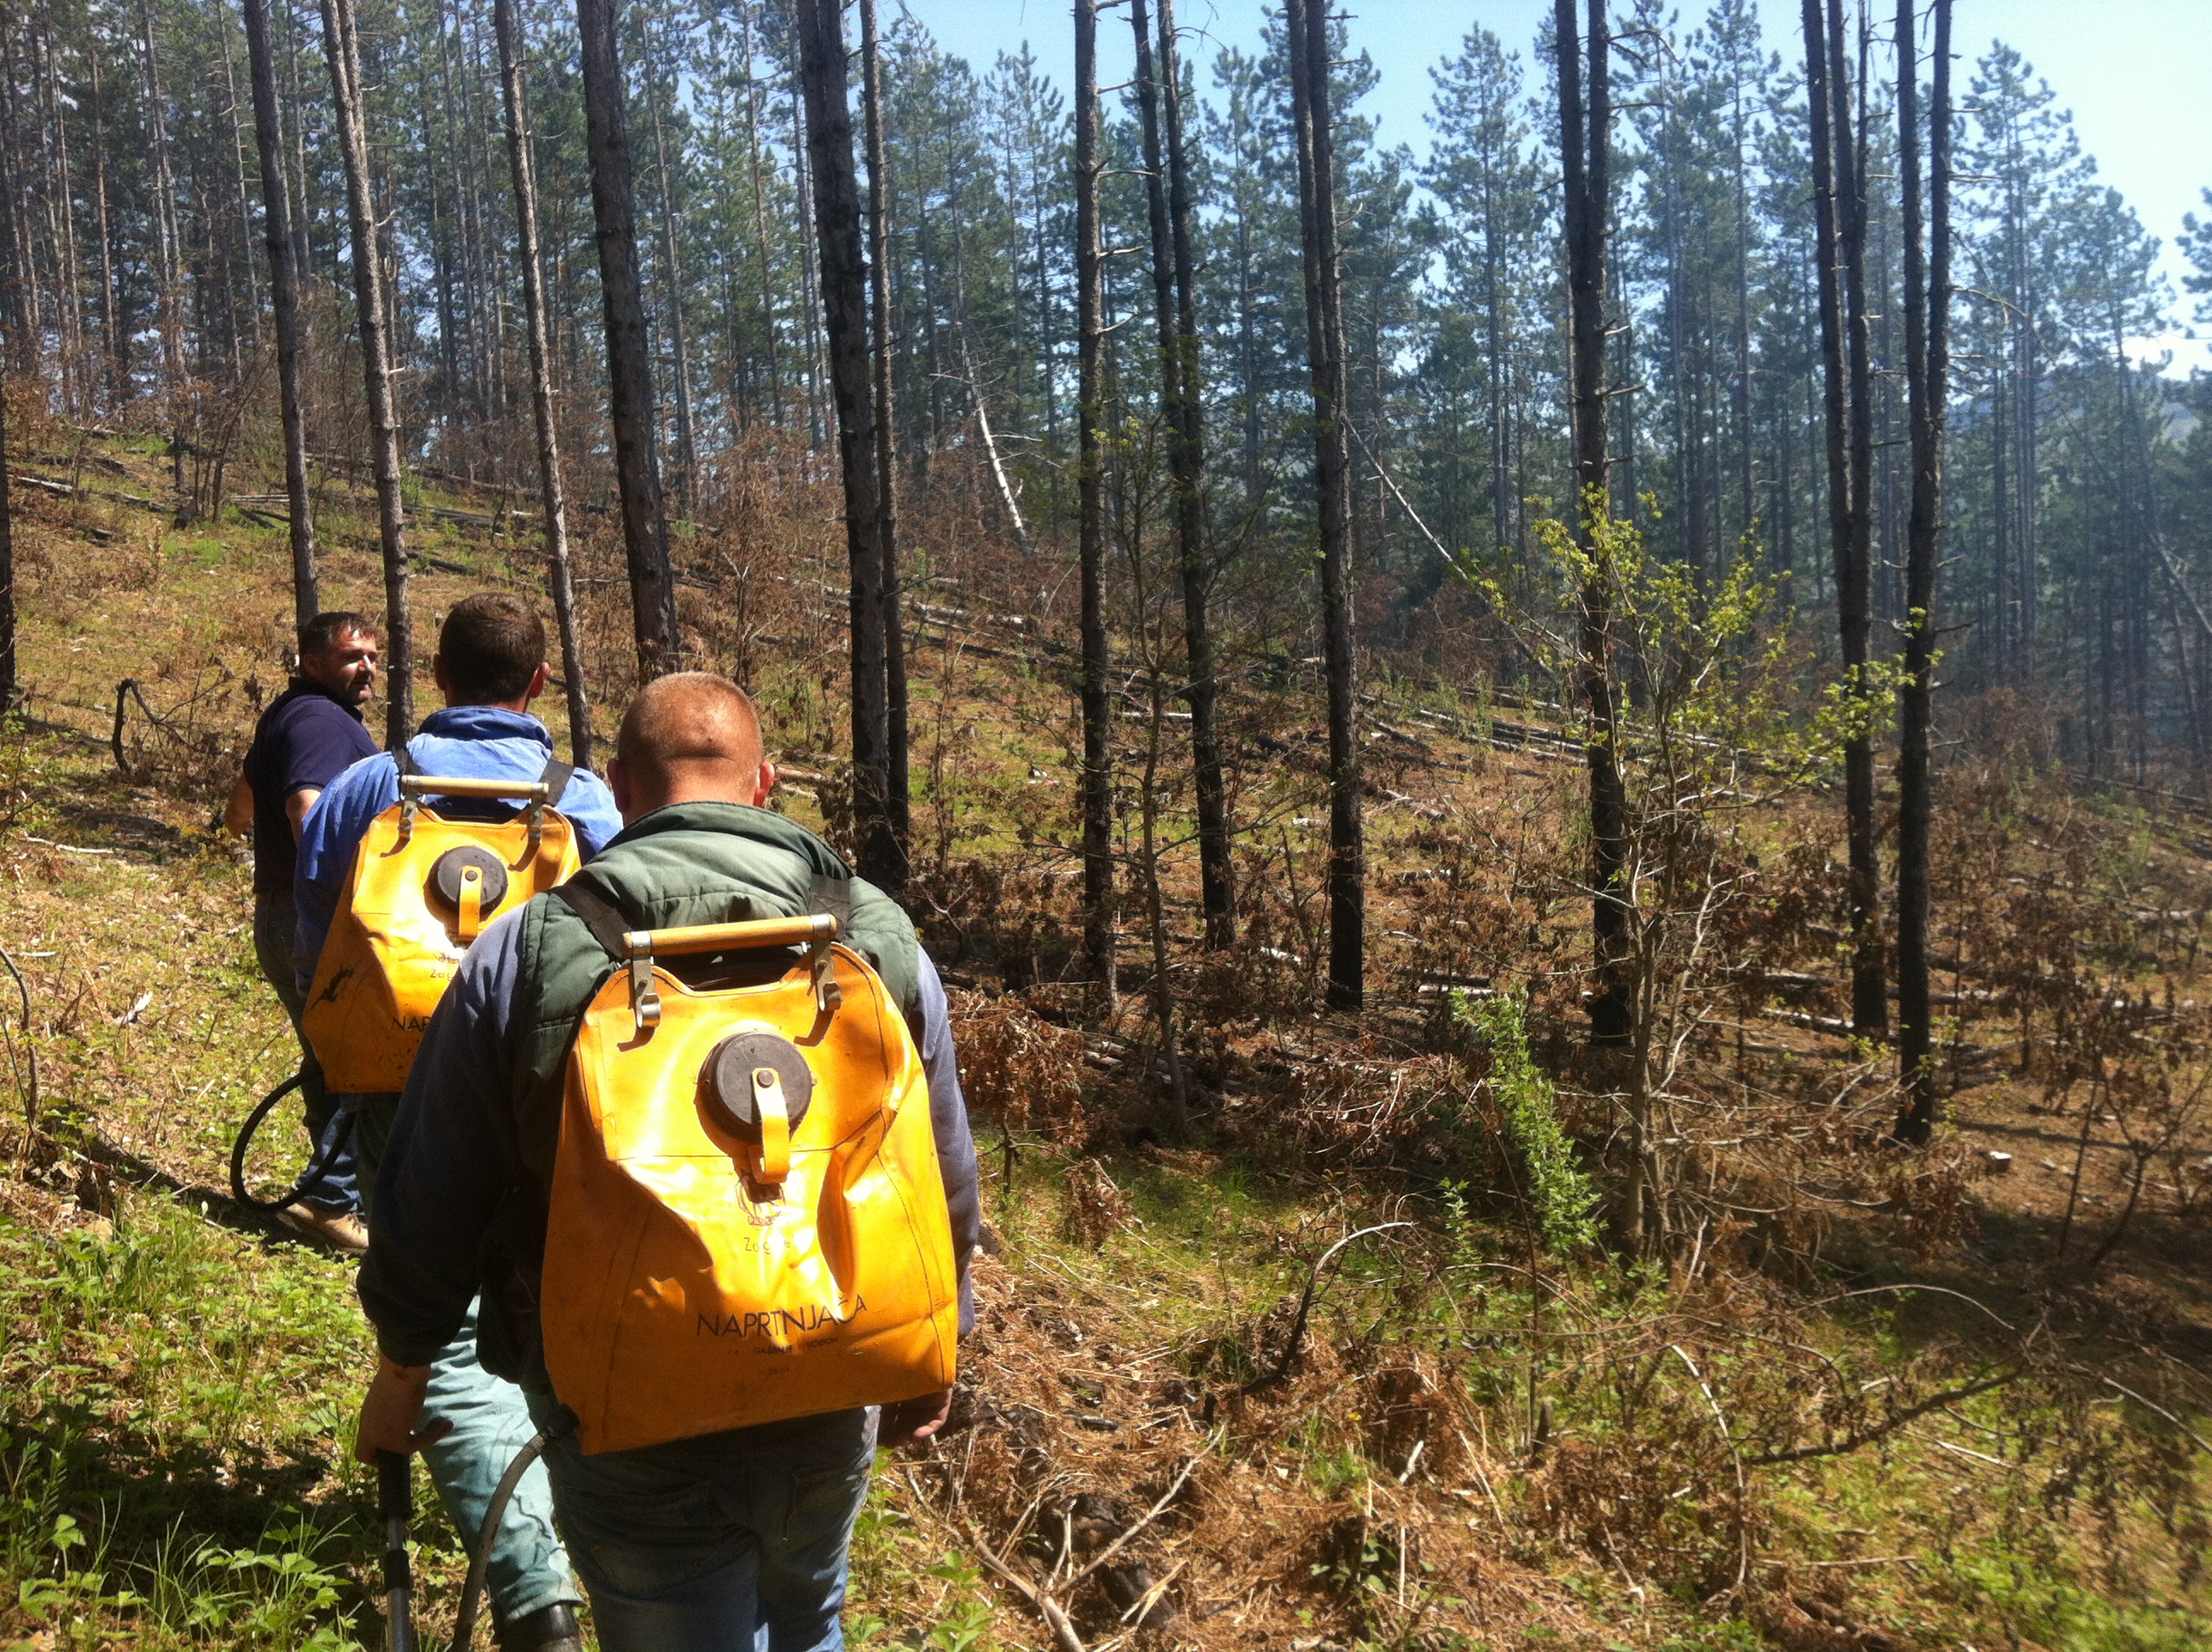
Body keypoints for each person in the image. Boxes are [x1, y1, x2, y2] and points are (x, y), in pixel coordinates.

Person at [353, 672, 981, 1652]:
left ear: (619, 784)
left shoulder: (530, 948)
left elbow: (434, 1196)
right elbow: (940, 1171)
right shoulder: (873, 936)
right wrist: (944, 1340)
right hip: (831, 1360)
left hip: (622, 1399)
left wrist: (404, 1364)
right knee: (808, 1614)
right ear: (765, 781)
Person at [295, 592, 621, 1652]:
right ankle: (593, 1543)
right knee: (551, 1306)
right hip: (550, 1090)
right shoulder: (589, 803)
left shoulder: (368, 786)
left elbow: (320, 945)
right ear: (536, 687)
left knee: (446, 1323)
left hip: (401, 1085)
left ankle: (533, 1593)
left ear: (433, 677)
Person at [229, 610, 381, 1253]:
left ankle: (335, 1201)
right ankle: (327, 1199)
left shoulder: (290, 714)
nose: (368, 667)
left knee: (329, 1053)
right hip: (311, 915)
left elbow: (239, 807)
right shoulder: (321, 719)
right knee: (357, 1054)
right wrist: (347, 902)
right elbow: (305, 809)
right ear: (313, 662)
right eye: (352, 657)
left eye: (373, 655)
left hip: (282, 910)